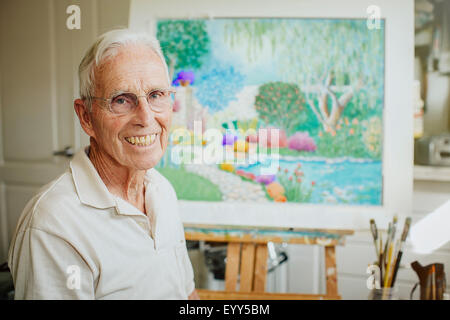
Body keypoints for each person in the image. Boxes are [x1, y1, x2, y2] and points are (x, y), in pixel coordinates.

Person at [8, 29, 199, 300]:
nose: (145, 118)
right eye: (121, 100)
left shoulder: (161, 189)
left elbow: (187, 294)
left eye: (156, 95)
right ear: (86, 117)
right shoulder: (53, 225)